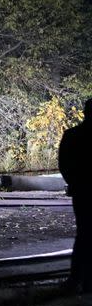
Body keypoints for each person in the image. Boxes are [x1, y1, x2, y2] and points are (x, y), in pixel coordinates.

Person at [59, 98, 92, 292]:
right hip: (83, 189)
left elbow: (64, 164)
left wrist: (75, 182)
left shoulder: (72, 135)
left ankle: (76, 277)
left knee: (83, 233)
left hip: (81, 191)